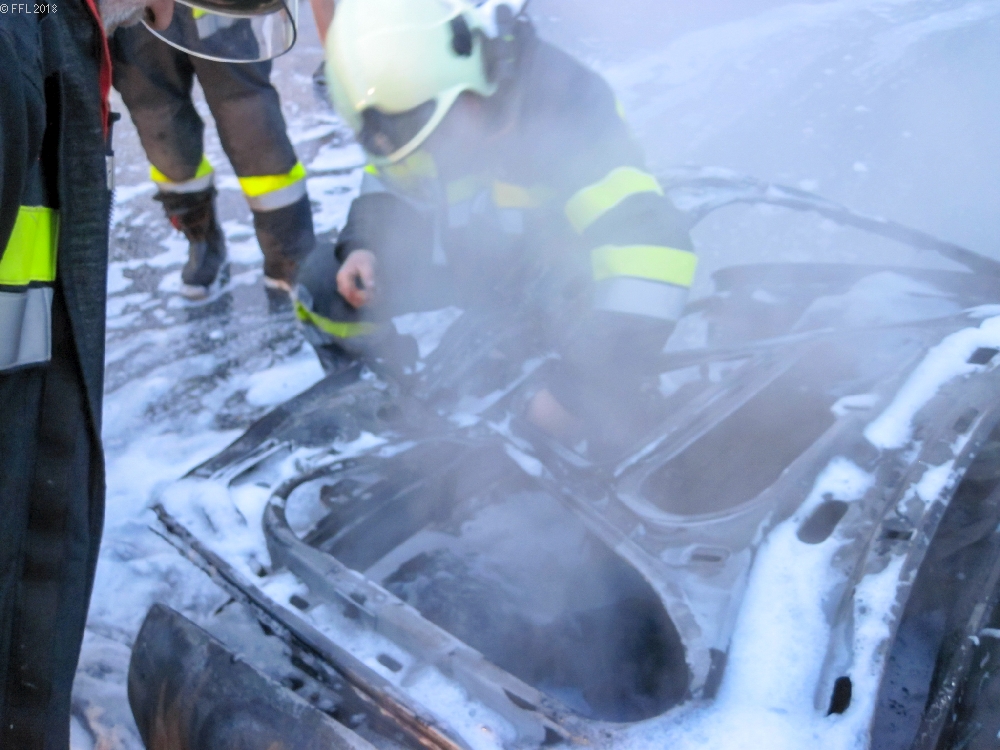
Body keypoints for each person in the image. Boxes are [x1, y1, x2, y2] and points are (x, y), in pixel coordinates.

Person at [0, 0, 296, 742]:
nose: (166, 12)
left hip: (28, 479)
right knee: (168, 128)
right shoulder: (17, 42)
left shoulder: (48, 32)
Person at [298, 0, 697, 448]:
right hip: (478, 261)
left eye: (440, 129)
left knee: (601, 419)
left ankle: (613, 417)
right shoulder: (415, 105)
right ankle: (391, 417)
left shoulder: (566, 104)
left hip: (561, 278)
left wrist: (572, 396)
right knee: (323, 284)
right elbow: (393, 178)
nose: (435, 147)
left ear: (472, 79)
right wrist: (365, 245)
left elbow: (654, 257)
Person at [111, 19, 316, 298]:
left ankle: (288, 252)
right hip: (135, 16)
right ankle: (202, 238)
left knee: (252, 125)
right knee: (164, 132)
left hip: (215, 10)